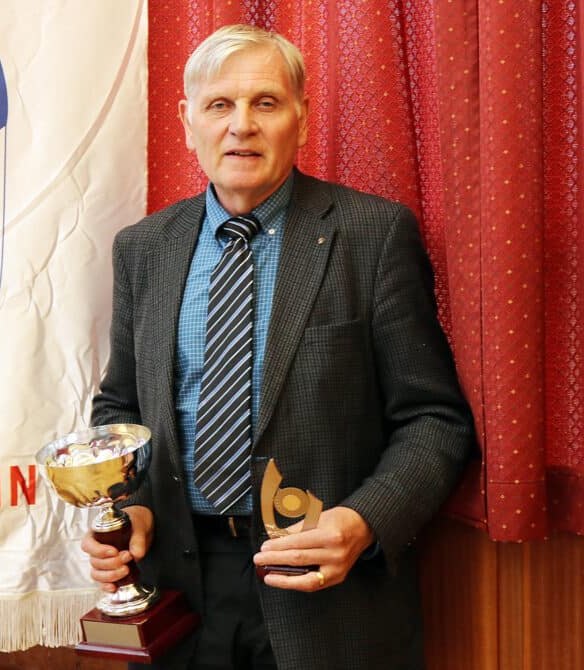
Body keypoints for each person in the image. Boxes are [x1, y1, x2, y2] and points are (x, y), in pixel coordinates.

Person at [84, 24, 476, 670]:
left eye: (265, 103)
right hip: (178, 589)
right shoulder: (144, 248)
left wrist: (363, 522)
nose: (241, 125)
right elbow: (121, 409)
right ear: (187, 122)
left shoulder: (372, 236)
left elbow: (434, 420)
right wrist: (131, 508)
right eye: (219, 105)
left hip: (330, 597)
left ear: (302, 118)